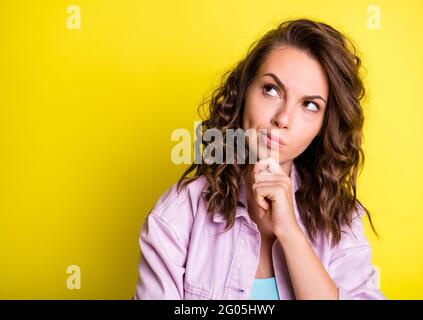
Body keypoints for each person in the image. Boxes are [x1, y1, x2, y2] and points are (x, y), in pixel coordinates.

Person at [133, 18, 385, 300]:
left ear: (323, 127)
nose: (283, 118)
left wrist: (291, 233)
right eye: (271, 90)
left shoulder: (340, 222)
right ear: (244, 93)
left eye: (310, 105)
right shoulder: (179, 215)